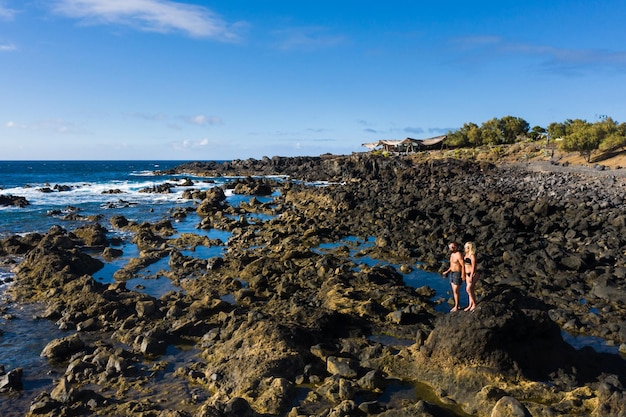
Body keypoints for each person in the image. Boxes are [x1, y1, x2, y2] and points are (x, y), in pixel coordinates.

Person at [442, 241, 465, 312]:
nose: (451, 248)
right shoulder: (452, 255)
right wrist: (447, 271)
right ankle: (457, 305)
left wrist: (463, 275)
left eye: (453, 246)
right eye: (450, 247)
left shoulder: (459, 255)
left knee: (456, 290)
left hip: (457, 274)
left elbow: (463, 265)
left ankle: (457, 306)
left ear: (456, 247)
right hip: (452, 273)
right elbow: (452, 265)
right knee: (454, 291)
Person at [463, 242, 478, 311]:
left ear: (469, 248)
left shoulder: (472, 256)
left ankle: (474, 303)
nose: (464, 249)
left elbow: (474, 267)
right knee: (470, 291)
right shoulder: (466, 255)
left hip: (472, 274)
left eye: (465, 247)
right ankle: (470, 305)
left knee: (468, 289)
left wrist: (471, 275)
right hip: (467, 274)